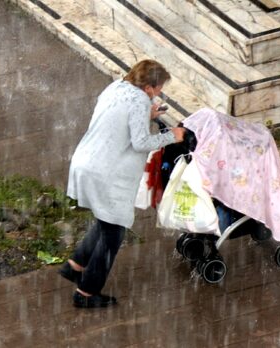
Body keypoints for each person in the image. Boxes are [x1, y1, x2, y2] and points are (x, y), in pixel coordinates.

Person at [59, 60, 186, 308]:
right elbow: (140, 142)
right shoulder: (140, 100)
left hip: (86, 161)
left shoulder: (116, 87)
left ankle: (75, 265)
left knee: (107, 221)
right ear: (149, 87)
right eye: (159, 88)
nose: (159, 93)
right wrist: (173, 136)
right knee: (114, 233)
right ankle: (86, 293)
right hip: (106, 172)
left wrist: (147, 115)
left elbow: (117, 117)